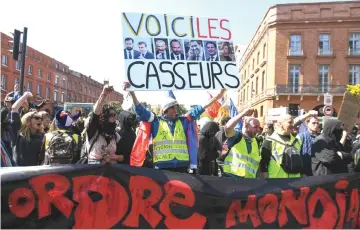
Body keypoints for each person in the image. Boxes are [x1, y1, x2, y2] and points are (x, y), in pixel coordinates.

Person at [124, 82, 225, 172]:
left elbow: (201, 108)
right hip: (162, 168)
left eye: (176, 108)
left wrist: (218, 96)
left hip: (182, 167)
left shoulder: (184, 120)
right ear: (165, 110)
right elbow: (140, 110)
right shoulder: (155, 121)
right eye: (172, 108)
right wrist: (132, 93)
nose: (175, 110)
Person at [80, 85, 124, 164]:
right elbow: (96, 113)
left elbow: (123, 157)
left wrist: (114, 157)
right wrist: (103, 95)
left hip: (110, 173)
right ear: (104, 116)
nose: (115, 117)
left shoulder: (115, 135)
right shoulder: (94, 131)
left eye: (115, 115)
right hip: (93, 172)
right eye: (112, 115)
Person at [260, 114, 303, 178]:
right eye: (290, 122)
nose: (293, 125)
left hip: (295, 182)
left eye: (293, 122)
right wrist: (267, 183)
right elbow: (263, 164)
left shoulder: (297, 141)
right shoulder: (269, 141)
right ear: (280, 124)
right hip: (277, 183)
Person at [223, 109, 262, 178]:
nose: (258, 130)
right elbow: (228, 127)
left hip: (248, 182)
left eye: (259, 127)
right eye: (255, 127)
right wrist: (243, 114)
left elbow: (257, 165)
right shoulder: (237, 136)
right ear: (246, 126)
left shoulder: (256, 142)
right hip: (231, 178)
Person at [11, 92, 44, 166]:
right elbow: (14, 108)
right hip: (19, 174)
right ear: (28, 120)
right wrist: (25, 96)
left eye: (41, 119)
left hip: (35, 175)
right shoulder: (18, 134)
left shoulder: (43, 136)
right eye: (37, 118)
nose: (40, 120)